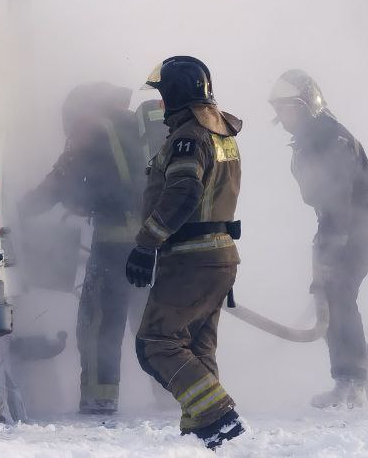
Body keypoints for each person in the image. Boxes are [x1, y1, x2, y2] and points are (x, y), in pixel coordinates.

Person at [124, 55, 247, 449]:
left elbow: (183, 192)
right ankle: (203, 431)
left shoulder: (188, 138)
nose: (160, 105)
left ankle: (218, 416)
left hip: (192, 257)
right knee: (196, 346)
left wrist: (147, 244)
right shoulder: (220, 134)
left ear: (175, 94)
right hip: (219, 255)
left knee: (156, 343)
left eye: (162, 96)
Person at [18, 82, 147, 415]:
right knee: (153, 326)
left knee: (97, 325)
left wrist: (20, 208)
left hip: (115, 244)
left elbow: (60, 181)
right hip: (155, 243)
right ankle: (170, 399)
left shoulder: (91, 128)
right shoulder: (138, 125)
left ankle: (98, 403)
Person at [267, 69, 368, 409]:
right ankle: (355, 380)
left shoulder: (329, 140)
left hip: (357, 226)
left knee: (338, 295)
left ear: (305, 106)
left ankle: (353, 382)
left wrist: (330, 250)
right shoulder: (312, 137)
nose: (281, 117)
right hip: (341, 224)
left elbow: (339, 198)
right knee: (334, 296)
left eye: (286, 109)